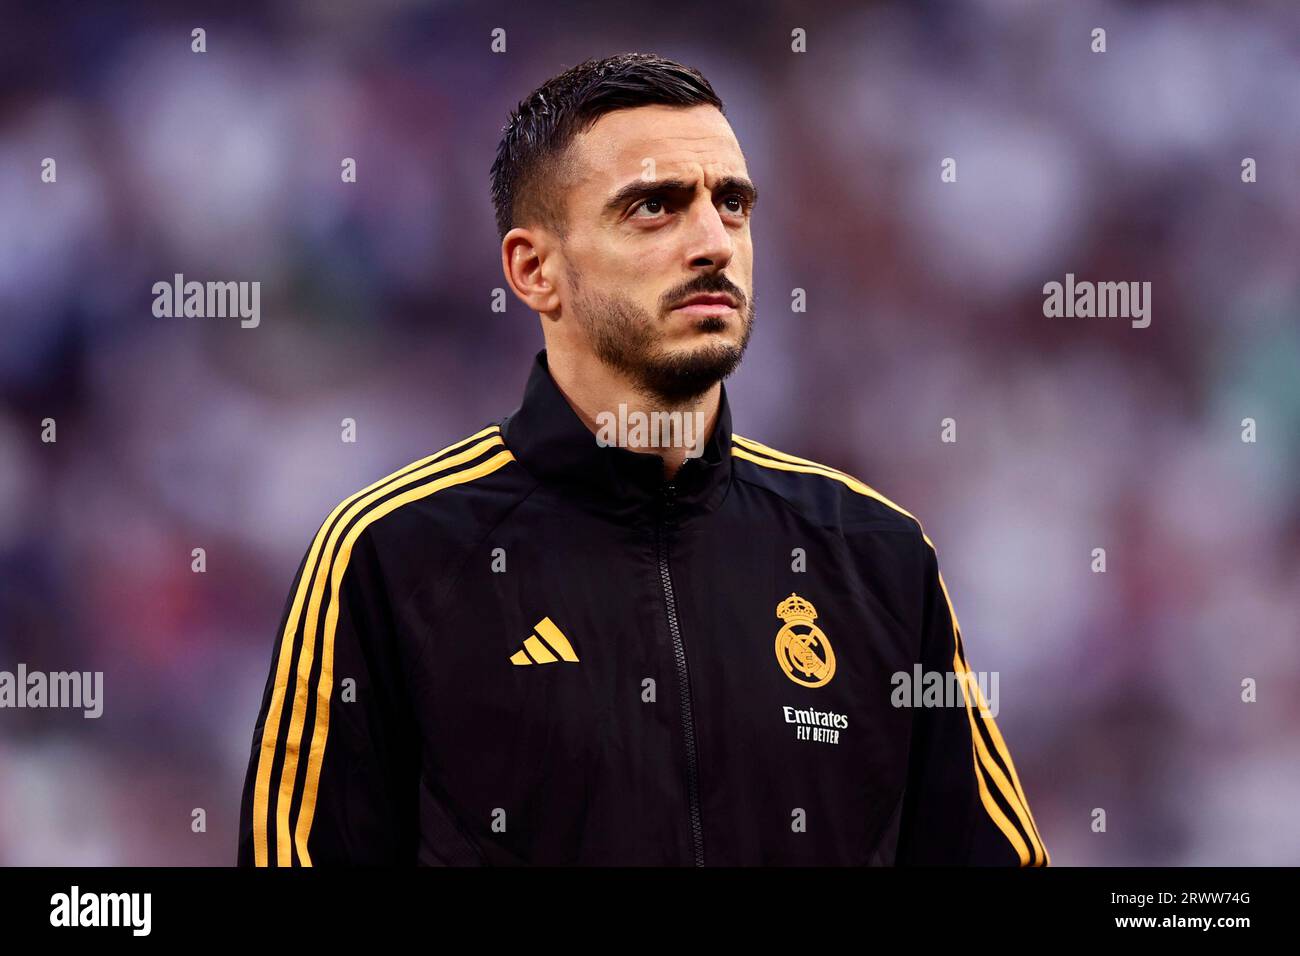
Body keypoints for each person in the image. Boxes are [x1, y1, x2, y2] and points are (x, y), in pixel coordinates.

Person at [237, 52, 1049, 866]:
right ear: (533, 270)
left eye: (732, 204)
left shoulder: (877, 558)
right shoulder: (392, 557)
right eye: (655, 207)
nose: (712, 243)